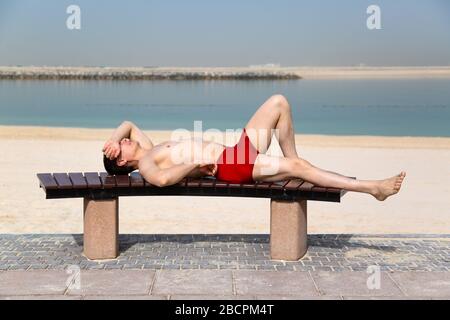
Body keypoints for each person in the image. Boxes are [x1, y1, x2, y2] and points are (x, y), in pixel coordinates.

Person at [102, 95, 405, 201]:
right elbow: (164, 180)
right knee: (301, 169)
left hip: (236, 152)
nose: (127, 141)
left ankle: (295, 163)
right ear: (125, 164)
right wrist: (193, 167)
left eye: (125, 141)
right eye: (123, 148)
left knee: (279, 103)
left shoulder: (148, 147)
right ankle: (372, 188)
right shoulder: (145, 165)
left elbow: (127, 123)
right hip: (232, 167)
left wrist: (113, 142)